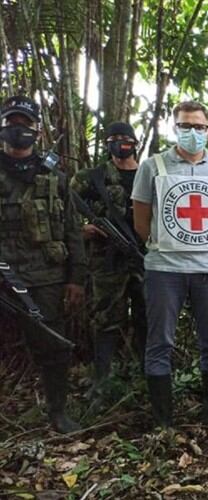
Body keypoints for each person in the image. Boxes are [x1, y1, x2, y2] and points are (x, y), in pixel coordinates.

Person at [131, 100, 208, 428]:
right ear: (175, 127)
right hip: (164, 269)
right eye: (185, 126)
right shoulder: (152, 167)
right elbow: (141, 222)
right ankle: (163, 422)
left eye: (199, 126)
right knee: (159, 343)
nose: (193, 132)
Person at [0, 95, 86, 432]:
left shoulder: (55, 178)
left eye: (25, 124)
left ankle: (57, 413)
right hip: (3, 275)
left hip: (45, 277)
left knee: (54, 347)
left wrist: (76, 279)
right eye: (12, 123)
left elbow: (72, 231)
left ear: (37, 130)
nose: (18, 130)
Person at [70, 122, 146, 400]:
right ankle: (102, 381)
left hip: (145, 257)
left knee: (147, 316)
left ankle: (148, 377)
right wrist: (83, 229)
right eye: (114, 138)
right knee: (105, 320)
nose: (120, 142)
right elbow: (64, 210)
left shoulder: (149, 174)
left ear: (135, 142)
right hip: (105, 260)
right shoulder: (91, 177)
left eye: (125, 138)